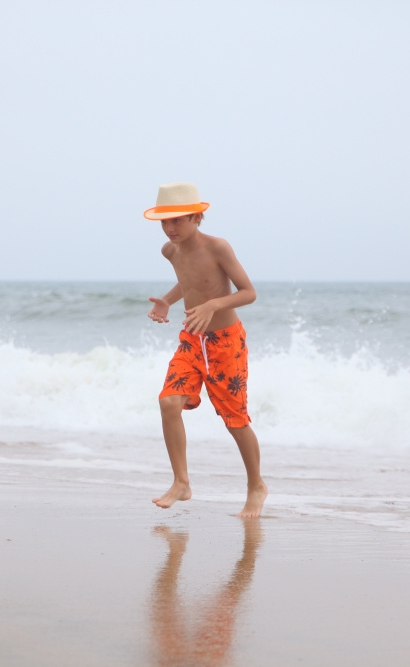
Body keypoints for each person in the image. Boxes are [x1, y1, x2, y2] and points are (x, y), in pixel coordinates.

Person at [144, 182, 268, 518]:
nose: (170, 229)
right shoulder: (170, 251)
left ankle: (256, 485)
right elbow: (191, 282)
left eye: (178, 220)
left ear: (197, 217)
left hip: (226, 342)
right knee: (169, 401)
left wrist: (213, 305)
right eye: (164, 222)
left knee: (235, 421)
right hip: (191, 339)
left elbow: (248, 292)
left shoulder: (218, 247)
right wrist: (168, 301)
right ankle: (181, 482)